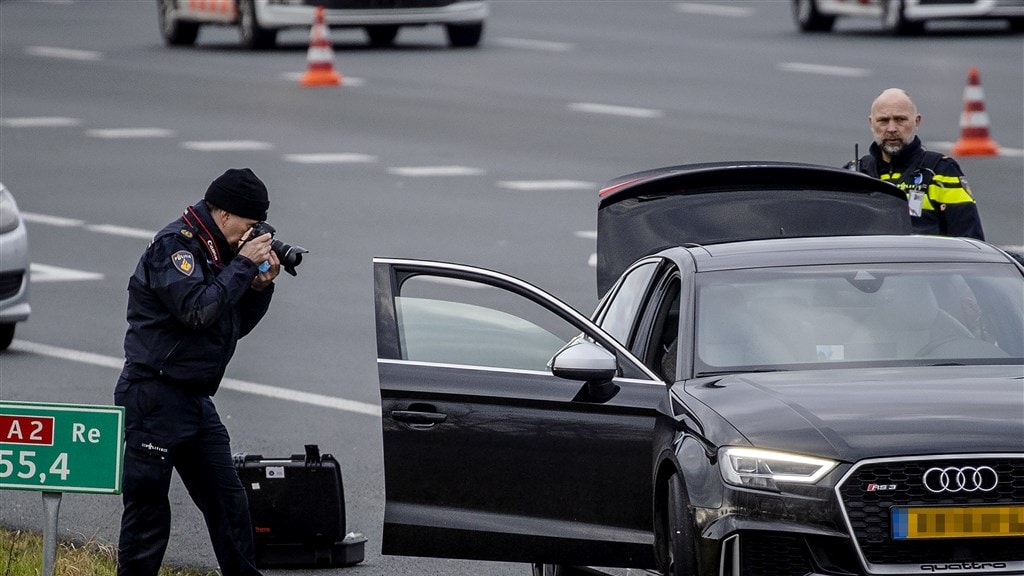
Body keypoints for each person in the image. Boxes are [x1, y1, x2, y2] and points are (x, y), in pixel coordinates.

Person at [114, 168, 281, 576]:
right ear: (224, 215)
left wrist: (260, 288)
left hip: (193, 399)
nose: (252, 234)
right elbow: (197, 311)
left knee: (229, 502)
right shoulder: (176, 247)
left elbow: (228, 328)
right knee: (148, 511)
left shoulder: (218, 252)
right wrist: (242, 265)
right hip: (154, 394)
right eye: (249, 224)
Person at [848, 88, 985, 240]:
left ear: (916, 121)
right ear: (871, 123)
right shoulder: (854, 173)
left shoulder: (941, 172)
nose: (892, 129)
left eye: (900, 120)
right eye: (883, 121)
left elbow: (971, 243)